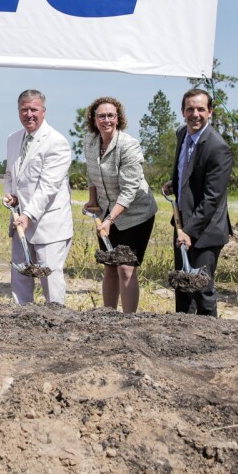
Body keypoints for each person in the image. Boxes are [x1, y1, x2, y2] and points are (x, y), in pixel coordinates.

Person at [161, 88, 233, 316]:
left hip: (205, 231)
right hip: (183, 224)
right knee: (183, 286)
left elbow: (213, 198)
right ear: (182, 111)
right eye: (190, 109)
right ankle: (184, 339)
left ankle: (209, 344)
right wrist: (176, 181)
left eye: (201, 109)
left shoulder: (217, 147)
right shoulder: (183, 134)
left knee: (202, 289)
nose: (195, 114)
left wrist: (189, 232)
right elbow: (190, 169)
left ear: (210, 112)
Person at [82, 96, 157, 314]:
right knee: (110, 265)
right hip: (106, 211)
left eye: (111, 115)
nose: (106, 120)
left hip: (136, 214)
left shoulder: (128, 145)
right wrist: (93, 201)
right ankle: (109, 315)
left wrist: (109, 220)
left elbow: (130, 190)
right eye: (101, 116)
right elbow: (91, 174)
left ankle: (128, 319)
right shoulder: (90, 141)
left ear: (118, 118)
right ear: (94, 120)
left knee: (125, 267)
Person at [3, 89, 73, 305]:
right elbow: (9, 174)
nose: (29, 114)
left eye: (34, 109)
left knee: (50, 280)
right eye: (24, 110)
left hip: (48, 224)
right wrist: (10, 194)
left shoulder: (57, 142)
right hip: (21, 223)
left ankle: (57, 322)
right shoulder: (13, 139)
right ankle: (20, 320)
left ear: (44, 111)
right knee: (20, 277)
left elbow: (48, 187)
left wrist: (28, 214)